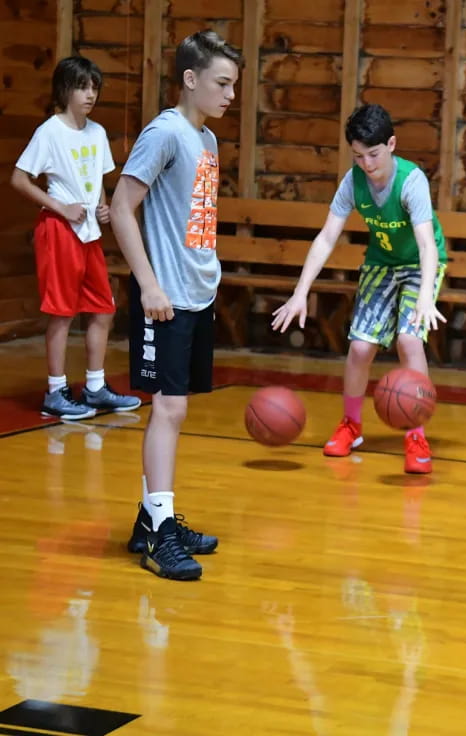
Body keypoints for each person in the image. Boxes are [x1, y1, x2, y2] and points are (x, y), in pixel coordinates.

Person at [109, 30, 242, 580]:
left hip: (196, 293)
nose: (230, 95)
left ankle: (152, 518)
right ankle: (159, 537)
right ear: (190, 79)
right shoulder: (164, 132)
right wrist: (149, 285)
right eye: (222, 83)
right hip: (163, 297)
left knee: (176, 408)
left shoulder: (206, 139)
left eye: (233, 85)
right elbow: (121, 206)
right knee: (169, 409)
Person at [271, 103, 447, 475]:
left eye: (374, 154)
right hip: (381, 263)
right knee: (360, 347)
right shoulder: (352, 182)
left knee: (409, 341)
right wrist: (300, 292)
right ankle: (351, 425)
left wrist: (426, 297)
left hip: (420, 264)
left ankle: (416, 436)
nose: (366, 164)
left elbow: (427, 244)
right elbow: (326, 237)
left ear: (391, 145)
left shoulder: (411, 181)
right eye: (358, 156)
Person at [11, 56, 142, 420]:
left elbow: (96, 179)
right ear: (64, 89)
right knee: (61, 313)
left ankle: (95, 388)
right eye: (83, 87)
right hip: (58, 230)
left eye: (94, 88)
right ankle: (56, 392)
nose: (90, 95)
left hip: (89, 233)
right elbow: (19, 179)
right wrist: (60, 207)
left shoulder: (97, 132)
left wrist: (102, 206)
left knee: (104, 308)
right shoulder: (49, 132)